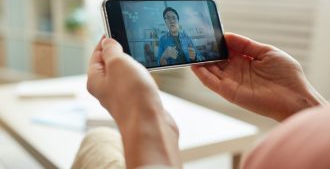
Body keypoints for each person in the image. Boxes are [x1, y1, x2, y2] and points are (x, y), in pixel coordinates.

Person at [73, 33, 329, 169]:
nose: (172, 22)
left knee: (99, 140)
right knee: (102, 139)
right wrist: (301, 101)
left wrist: (146, 117)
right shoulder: (164, 39)